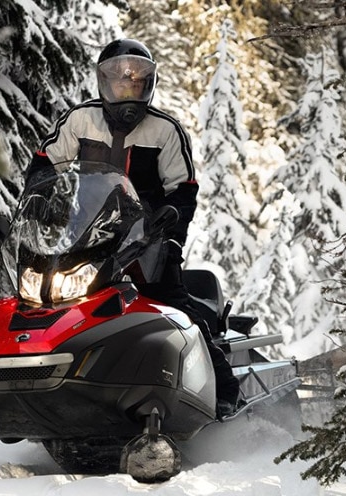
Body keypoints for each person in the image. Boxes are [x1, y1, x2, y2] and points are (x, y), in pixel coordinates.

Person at [25, 38, 242, 417]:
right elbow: (45, 165)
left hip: (148, 243)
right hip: (86, 238)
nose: (127, 90)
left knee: (174, 308)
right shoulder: (81, 120)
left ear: (148, 86)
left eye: (136, 83)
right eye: (119, 82)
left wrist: (171, 238)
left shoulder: (164, 131)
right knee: (45, 302)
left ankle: (224, 392)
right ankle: (37, 390)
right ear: (103, 83)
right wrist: (39, 205)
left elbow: (183, 190)